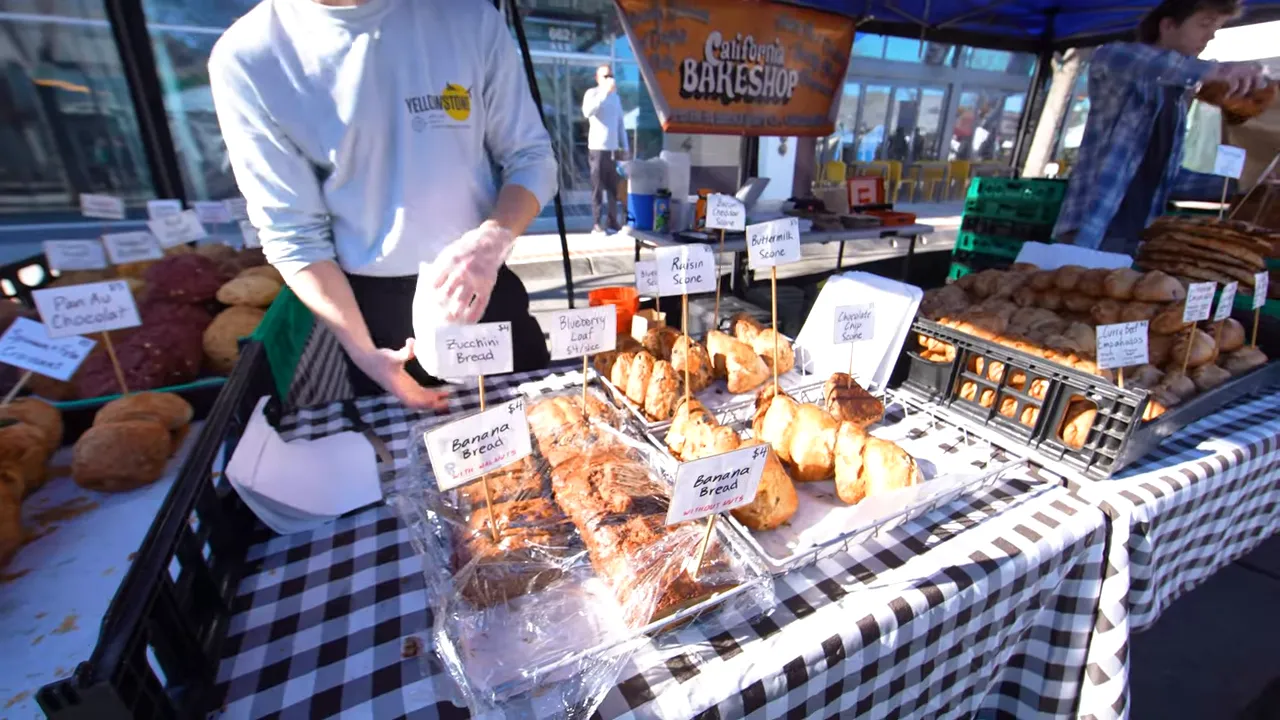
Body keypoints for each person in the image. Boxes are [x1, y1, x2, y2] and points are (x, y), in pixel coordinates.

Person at [208, 0, 557, 409]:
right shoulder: (250, 56)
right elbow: (293, 233)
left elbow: (531, 157)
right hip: (373, 320)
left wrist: (493, 239)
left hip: (485, 282)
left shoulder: (467, 16)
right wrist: (365, 354)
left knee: (551, 432)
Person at [1053, 0, 1269, 255]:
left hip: (1139, 236)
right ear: (1167, 26)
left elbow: (1166, 177)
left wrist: (1246, 184)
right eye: (1205, 24)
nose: (1210, 36)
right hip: (1092, 227)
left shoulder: (1177, 97)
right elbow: (1136, 60)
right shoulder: (1116, 61)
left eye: (1216, 29)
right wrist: (1218, 69)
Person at [582, 64, 629, 234]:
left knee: (613, 188)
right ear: (597, 78)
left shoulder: (615, 98)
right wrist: (604, 93)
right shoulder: (592, 93)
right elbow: (587, 112)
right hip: (597, 148)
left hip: (613, 149)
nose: (610, 79)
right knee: (597, 187)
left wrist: (626, 147)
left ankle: (612, 220)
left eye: (611, 76)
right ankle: (596, 222)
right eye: (605, 76)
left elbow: (620, 124)